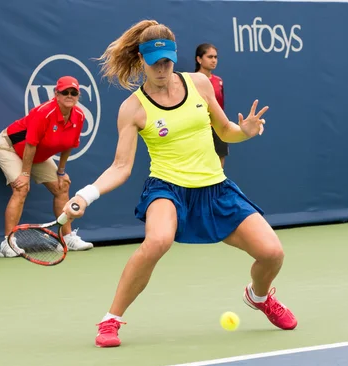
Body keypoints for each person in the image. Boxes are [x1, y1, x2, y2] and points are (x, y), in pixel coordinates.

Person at [63, 20, 297, 348]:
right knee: (157, 241)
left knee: (272, 253)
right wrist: (87, 195)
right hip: (167, 188)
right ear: (141, 60)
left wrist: (244, 132)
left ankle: (259, 297)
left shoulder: (200, 84)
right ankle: (111, 320)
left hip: (215, 187)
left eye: (167, 61)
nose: (162, 68)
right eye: (155, 62)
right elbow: (121, 166)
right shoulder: (132, 108)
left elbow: (225, 129)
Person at [0, 76, 93, 258]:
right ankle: (7, 243)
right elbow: (30, 144)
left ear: (78, 95)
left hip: (37, 153)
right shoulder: (43, 113)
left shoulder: (79, 116)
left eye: (73, 93)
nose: (69, 96)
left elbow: (69, 145)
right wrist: (24, 173)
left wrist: (61, 172)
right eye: (65, 92)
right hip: (10, 147)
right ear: (56, 94)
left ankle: (67, 237)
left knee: (62, 187)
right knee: (22, 188)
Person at [195, 43, 228, 167]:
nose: (214, 60)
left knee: (219, 166)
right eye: (210, 57)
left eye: (215, 57)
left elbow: (220, 105)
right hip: (199, 129)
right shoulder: (191, 80)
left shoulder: (219, 81)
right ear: (199, 59)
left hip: (217, 129)